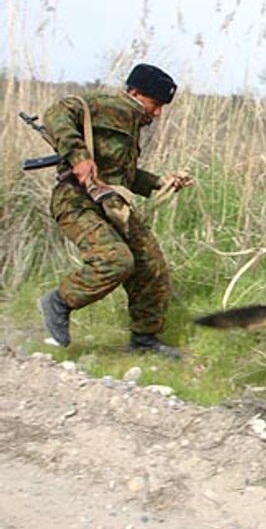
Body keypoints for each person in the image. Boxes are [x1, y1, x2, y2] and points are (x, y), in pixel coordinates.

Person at [36, 63, 194, 359]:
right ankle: (59, 302)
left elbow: (125, 176)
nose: (157, 113)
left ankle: (144, 340)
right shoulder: (109, 106)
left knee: (152, 266)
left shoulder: (132, 124)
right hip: (76, 201)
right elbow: (57, 112)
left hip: (111, 204)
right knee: (116, 261)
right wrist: (78, 156)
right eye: (155, 104)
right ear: (134, 92)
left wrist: (161, 182)